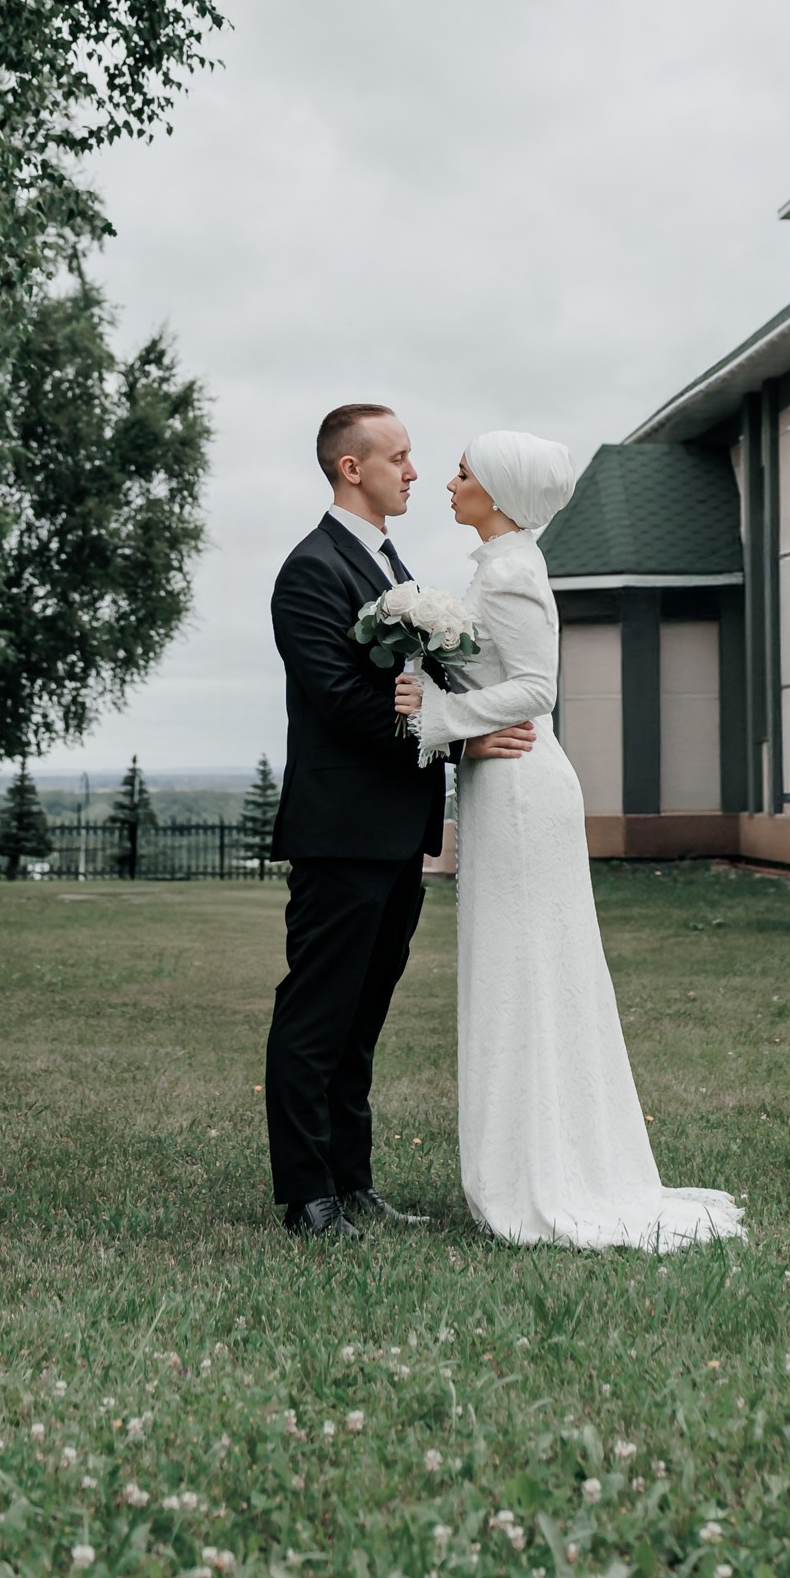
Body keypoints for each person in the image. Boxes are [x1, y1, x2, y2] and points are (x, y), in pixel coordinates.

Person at [397, 430, 744, 1251]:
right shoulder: (497, 566)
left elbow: (536, 689)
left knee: (526, 968)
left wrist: (439, 718)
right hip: (500, 782)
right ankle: (528, 1153)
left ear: (500, 490)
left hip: (521, 786)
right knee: (517, 964)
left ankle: (543, 1170)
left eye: (463, 473)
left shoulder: (514, 573)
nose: (449, 482)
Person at [264, 403, 535, 1239]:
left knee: (361, 1019)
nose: (415, 471)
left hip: (392, 833)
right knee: (316, 1017)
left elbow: (419, 683)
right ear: (353, 468)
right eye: (401, 456)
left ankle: (353, 1182)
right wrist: (464, 740)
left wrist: (458, 723)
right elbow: (346, 703)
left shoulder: (388, 565)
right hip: (340, 829)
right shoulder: (311, 571)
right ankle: (306, 1197)